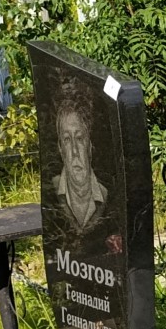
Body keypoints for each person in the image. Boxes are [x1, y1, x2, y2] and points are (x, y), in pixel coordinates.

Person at [53, 100, 109, 234]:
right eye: (67, 139)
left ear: (89, 146)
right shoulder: (52, 189)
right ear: (60, 149)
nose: (74, 151)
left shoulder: (105, 194)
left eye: (79, 138)